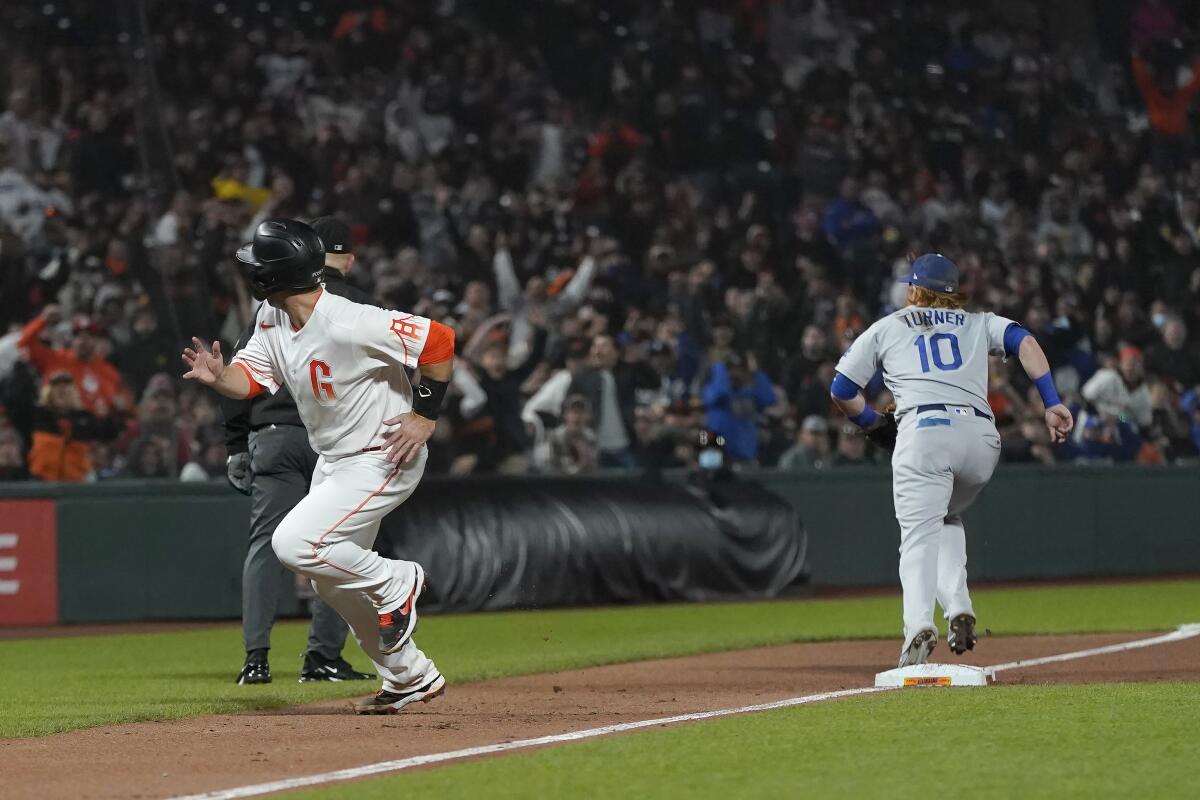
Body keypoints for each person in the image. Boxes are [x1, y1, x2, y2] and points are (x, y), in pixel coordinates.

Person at [184, 218, 454, 714]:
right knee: (332, 580)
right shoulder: (272, 315)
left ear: (272, 275)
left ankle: (399, 581)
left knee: (294, 544)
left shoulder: (351, 319)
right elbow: (252, 379)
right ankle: (409, 676)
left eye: (259, 262)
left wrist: (423, 417)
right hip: (335, 462)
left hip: (385, 455)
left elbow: (438, 342)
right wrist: (221, 378)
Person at [830, 254, 1073, 667]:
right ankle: (959, 605)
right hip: (980, 441)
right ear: (954, 292)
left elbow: (842, 388)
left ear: (912, 289)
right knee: (945, 517)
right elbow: (1026, 342)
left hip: (925, 433)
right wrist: (1051, 402)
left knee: (918, 534)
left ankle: (917, 626)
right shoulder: (979, 322)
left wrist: (873, 424)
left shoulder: (888, 326)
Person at [221, 215, 379, 685]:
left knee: (266, 546)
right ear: (347, 258)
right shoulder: (360, 307)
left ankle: (256, 658)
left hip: (274, 435)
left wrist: (236, 445)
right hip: (338, 442)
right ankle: (323, 658)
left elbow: (237, 376)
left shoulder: (271, 307)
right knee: (338, 545)